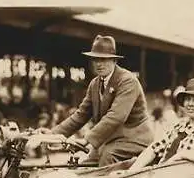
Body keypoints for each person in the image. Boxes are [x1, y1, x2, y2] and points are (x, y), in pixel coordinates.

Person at [41, 35, 154, 167]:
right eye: (95, 60)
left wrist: (86, 139)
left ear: (114, 61)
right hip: (111, 140)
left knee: (107, 156)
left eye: (104, 59)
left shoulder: (128, 81)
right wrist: (53, 134)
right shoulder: (95, 84)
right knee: (84, 167)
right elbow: (81, 115)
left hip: (134, 139)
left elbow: (116, 117)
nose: (99, 64)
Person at [130, 78, 194, 170]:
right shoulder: (180, 125)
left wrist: (182, 155)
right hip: (161, 173)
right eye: (188, 99)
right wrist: (132, 171)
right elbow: (154, 148)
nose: (190, 104)